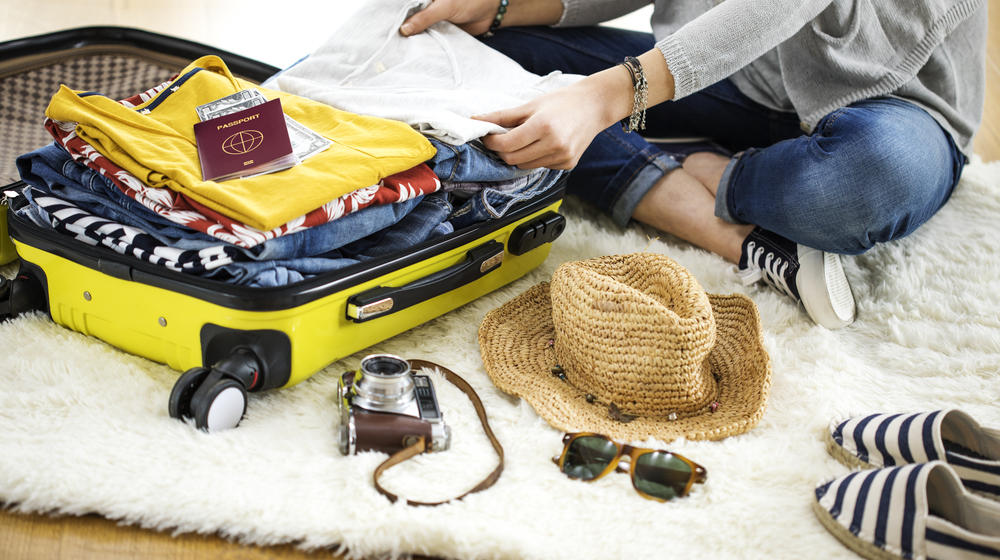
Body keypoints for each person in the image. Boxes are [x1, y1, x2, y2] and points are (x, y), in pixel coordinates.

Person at [398, 0, 987, 329]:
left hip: (894, 110)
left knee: (866, 180)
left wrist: (607, 97)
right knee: (476, 59)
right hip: (736, 76)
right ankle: (741, 237)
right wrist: (504, 8)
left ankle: (707, 164)